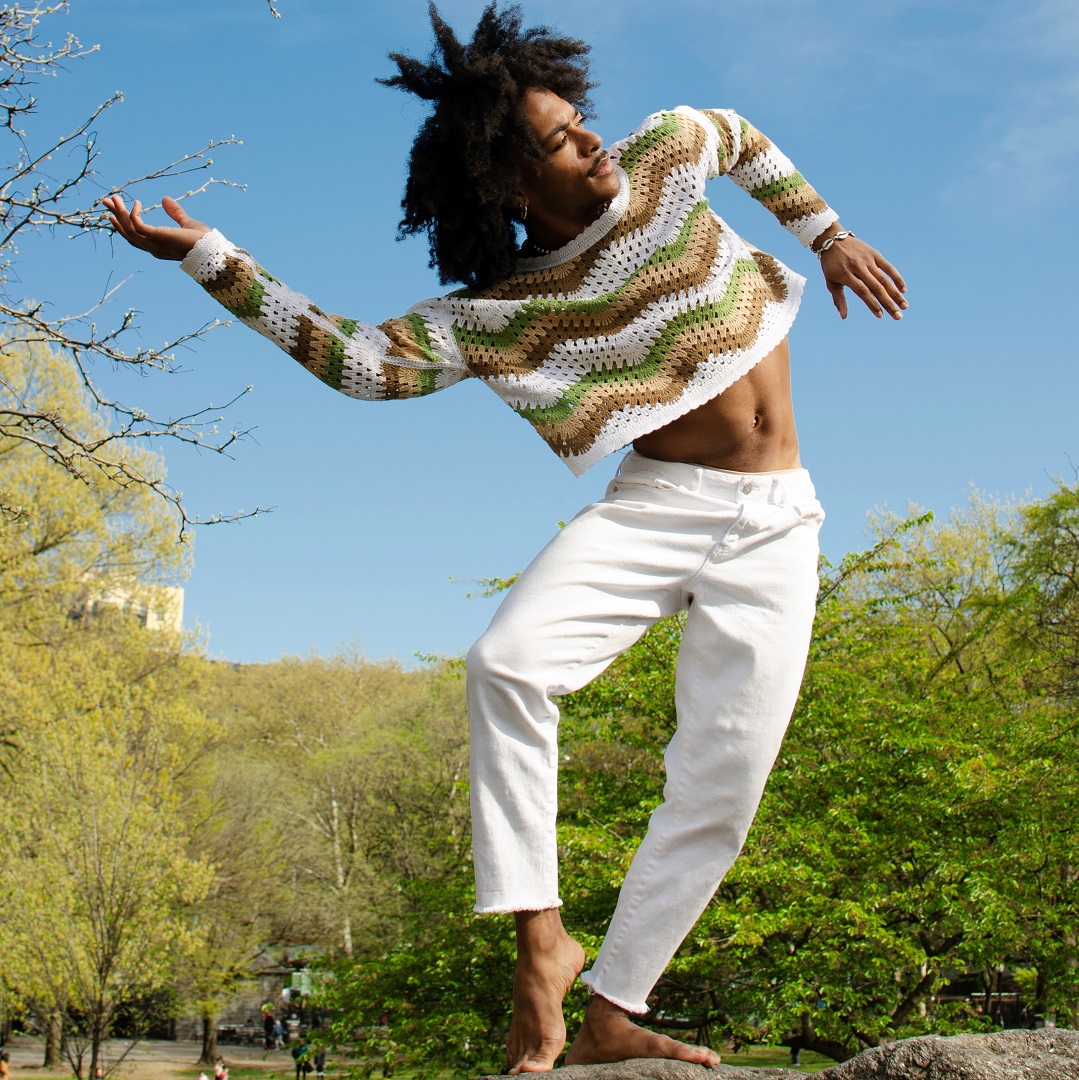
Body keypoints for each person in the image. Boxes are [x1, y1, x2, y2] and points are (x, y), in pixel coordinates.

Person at [104, 3, 905, 1073]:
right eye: (558, 140)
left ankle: (615, 1007)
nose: (589, 140)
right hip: (657, 506)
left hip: (775, 521)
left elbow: (735, 131)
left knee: (724, 775)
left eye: (579, 119)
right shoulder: (504, 308)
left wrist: (828, 233)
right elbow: (362, 365)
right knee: (505, 664)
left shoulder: (661, 157)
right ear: (508, 185)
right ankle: (540, 941)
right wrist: (213, 259)